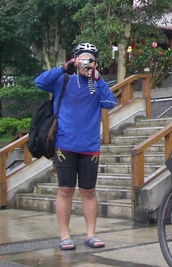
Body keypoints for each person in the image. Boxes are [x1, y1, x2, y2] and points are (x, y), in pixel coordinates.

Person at [35, 42, 117, 251]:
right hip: (64, 144)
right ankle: (65, 236)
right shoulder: (63, 80)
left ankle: (91, 234)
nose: (86, 64)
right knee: (65, 190)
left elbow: (110, 103)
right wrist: (64, 68)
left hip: (89, 146)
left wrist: (97, 79)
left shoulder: (96, 84)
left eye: (90, 60)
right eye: (83, 60)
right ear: (75, 60)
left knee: (88, 191)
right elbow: (39, 82)